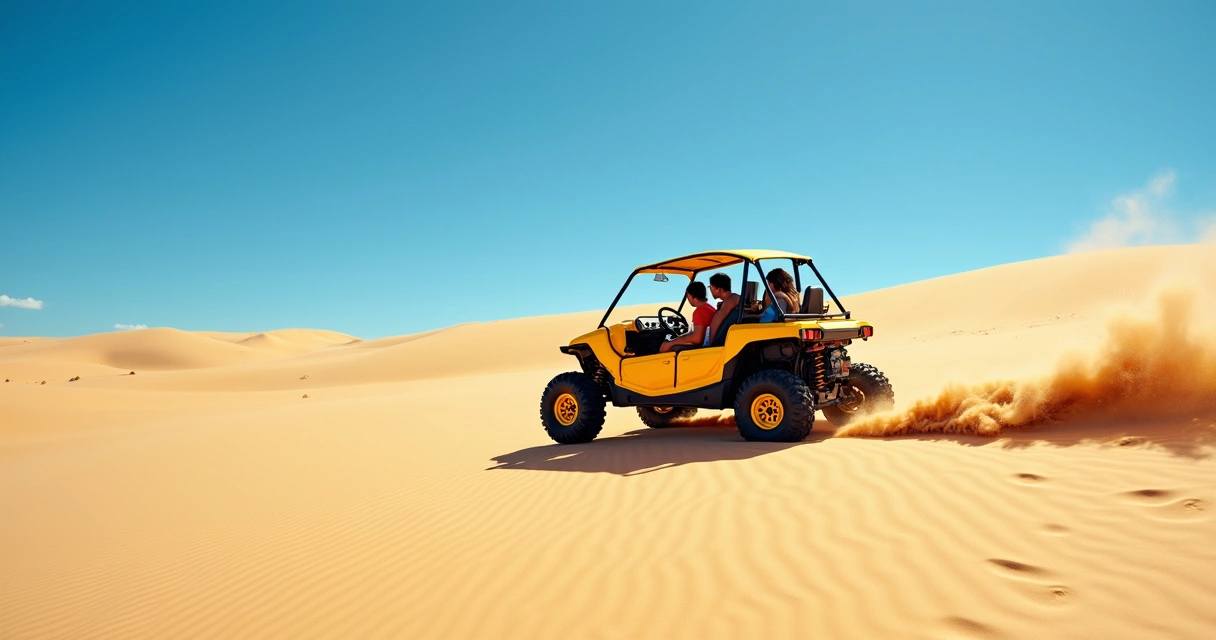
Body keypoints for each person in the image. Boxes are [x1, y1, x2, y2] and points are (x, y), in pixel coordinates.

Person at [660, 282, 716, 352]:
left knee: (665, 347)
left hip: (701, 350)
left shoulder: (699, 312)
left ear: (692, 295)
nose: (687, 299)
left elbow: (697, 338)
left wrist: (671, 343)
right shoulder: (710, 308)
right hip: (709, 347)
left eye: (687, 296)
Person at [705, 272, 741, 346]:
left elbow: (718, 319)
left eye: (711, 287)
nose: (711, 291)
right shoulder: (732, 299)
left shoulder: (731, 300)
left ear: (717, 288)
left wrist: (712, 344)